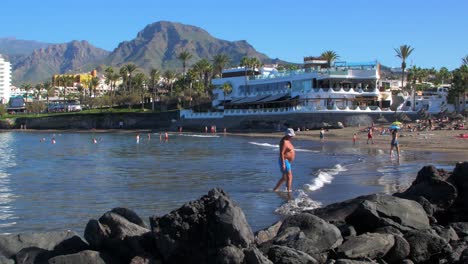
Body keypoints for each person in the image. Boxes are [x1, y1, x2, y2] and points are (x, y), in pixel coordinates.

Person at [273, 128, 296, 192]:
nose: (292, 136)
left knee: (284, 178)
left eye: (292, 135)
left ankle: (275, 189)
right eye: (290, 135)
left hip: (287, 161)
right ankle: (288, 191)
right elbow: (281, 153)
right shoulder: (284, 142)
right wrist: (283, 164)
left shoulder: (287, 140)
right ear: (287, 135)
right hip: (284, 161)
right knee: (289, 177)